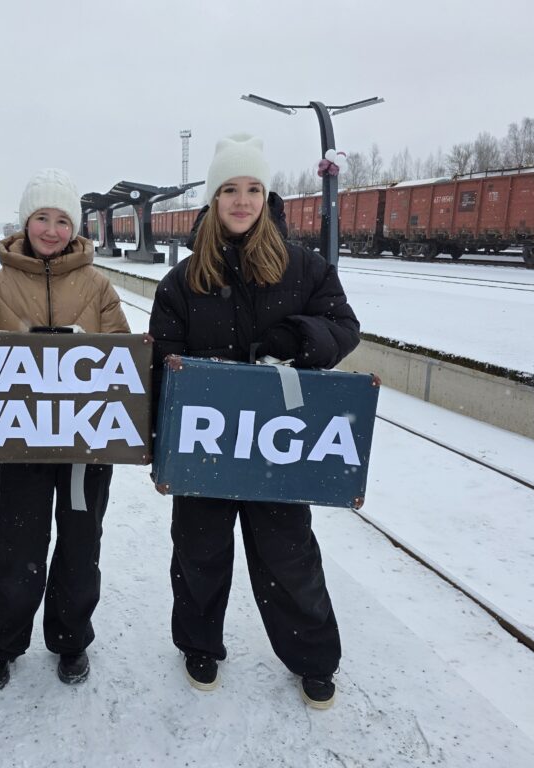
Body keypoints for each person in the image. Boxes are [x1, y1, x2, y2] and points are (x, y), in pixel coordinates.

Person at [149, 133, 360, 709]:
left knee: (289, 556)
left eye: (252, 189)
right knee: (199, 552)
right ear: (214, 199)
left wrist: (301, 337)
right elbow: (161, 364)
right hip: (206, 444)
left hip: (276, 444)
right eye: (229, 189)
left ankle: (313, 658)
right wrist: (161, 444)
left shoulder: (305, 269)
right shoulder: (182, 281)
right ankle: (199, 645)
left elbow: (344, 328)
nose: (241, 201)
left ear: (266, 197)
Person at [0, 168, 130, 692]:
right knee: (18, 544)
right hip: (20, 440)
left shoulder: (98, 286)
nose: (52, 230)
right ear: (26, 222)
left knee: (80, 545)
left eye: (62, 220)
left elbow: (126, 362)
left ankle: (71, 638)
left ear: (74, 227)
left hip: (86, 443)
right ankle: (1, 643)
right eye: (42, 217)